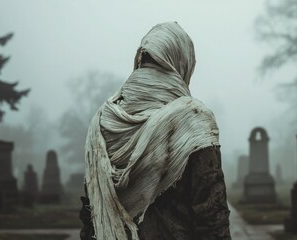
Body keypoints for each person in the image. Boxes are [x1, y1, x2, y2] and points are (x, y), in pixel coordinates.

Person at [79, 22, 231, 240]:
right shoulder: (194, 120)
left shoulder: (103, 120)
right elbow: (212, 217)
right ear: (183, 61)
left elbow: (91, 211)